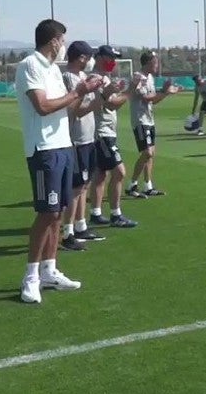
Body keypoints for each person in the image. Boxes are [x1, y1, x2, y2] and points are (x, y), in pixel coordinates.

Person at [14, 19, 105, 304]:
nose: (64, 44)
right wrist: (77, 92)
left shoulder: (54, 70)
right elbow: (41, 106)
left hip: (63, 146)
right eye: (62, 39)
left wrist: (86, 91)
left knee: (58, 211)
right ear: (54, 40)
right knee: (47, 213)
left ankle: (49, 270)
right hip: (44, 149)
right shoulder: (30, 65)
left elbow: (69, 108)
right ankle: (30, 277)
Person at [59, 40, 106, 252]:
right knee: (76, 188)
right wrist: (93, 105)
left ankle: (80, 225)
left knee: (84, 185)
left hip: (87, 137)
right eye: (89, 57)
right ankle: (67, 232)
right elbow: (73, 110)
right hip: (76, 138)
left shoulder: (81, 77)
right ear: (82, 58)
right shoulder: (68, 77)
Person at [89, 46, 140, 228]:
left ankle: (95, 212)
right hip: (102, 132)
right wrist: (130, 91)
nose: (113, 61)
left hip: (105, 131)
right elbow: (111, 105)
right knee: (119, 172)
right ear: (100, 57)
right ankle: (115, 214)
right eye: (110, 57)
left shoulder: (103, 78)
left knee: (100, 174)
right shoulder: (96, 79)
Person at [127, 50, 166, 198]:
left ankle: (148, 186)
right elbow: (146, 98)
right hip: (140, 120)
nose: (157, 65)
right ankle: (132, 185)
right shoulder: (138, 77)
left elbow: (154, 99)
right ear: (149, 63)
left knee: (151, 154)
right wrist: (164, 91)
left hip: (150, 119)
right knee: (147, 152)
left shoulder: (150, 78)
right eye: (155, 62)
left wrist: (165, 93)